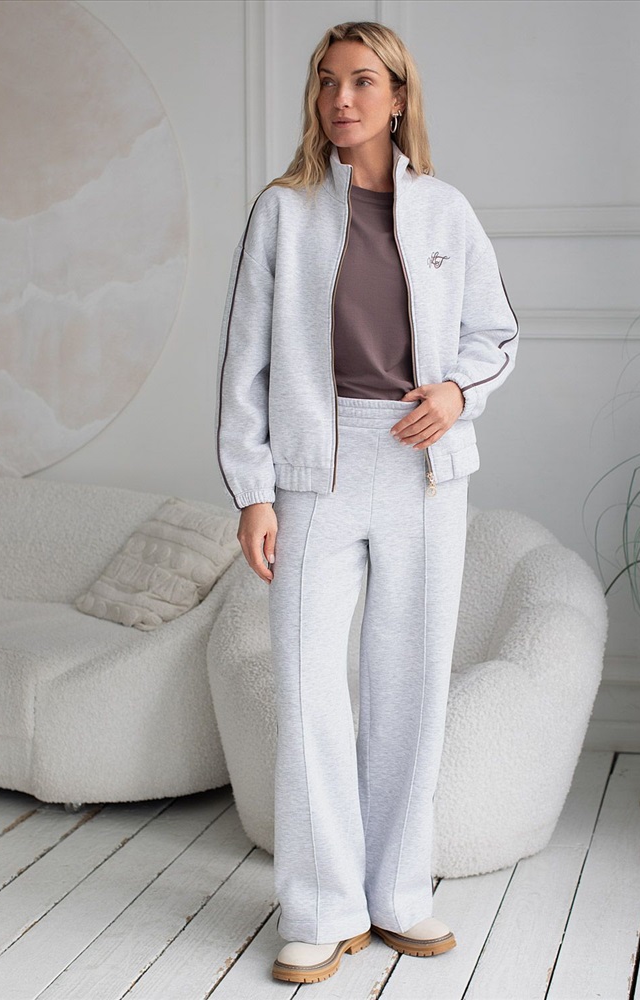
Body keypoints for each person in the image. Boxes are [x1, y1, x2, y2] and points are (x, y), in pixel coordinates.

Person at [215, 20, 518, 986]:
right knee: (308, 688)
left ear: (397, 98)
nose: (339, 99)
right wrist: (253, 491)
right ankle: (321, 909)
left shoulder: (446, 212)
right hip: (315, 468)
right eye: (326, 81)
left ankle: (397, 894)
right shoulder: (284, 212)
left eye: (360, 82)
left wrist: (457, 392)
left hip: (424, 468)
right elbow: (245, 365)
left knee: (410, 686)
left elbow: (497, 333)